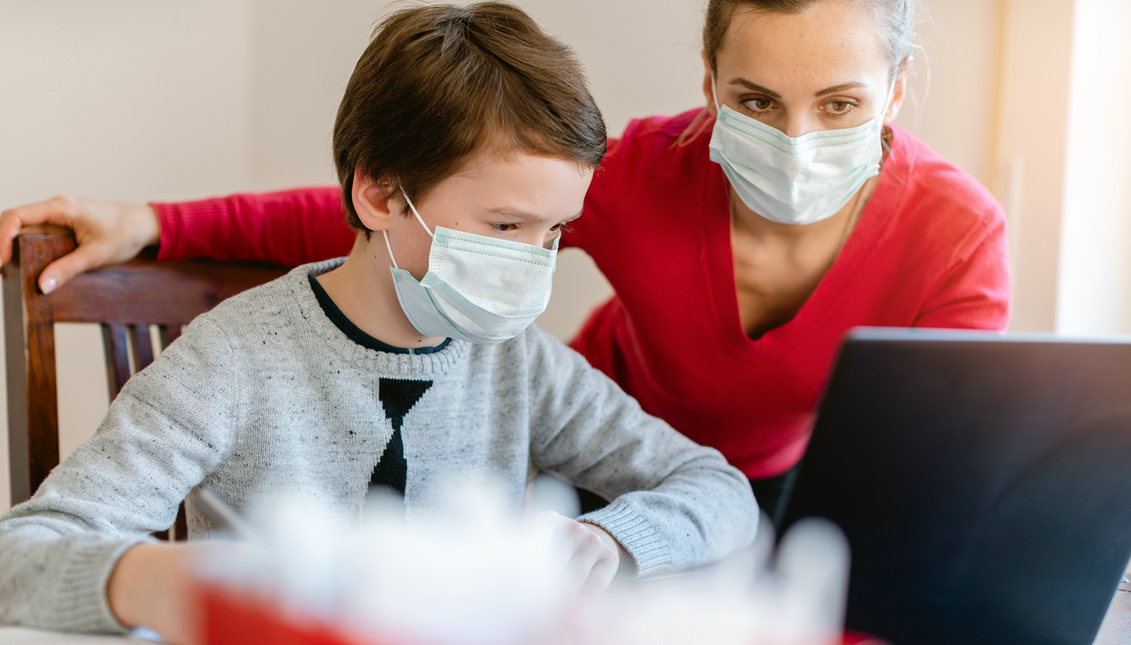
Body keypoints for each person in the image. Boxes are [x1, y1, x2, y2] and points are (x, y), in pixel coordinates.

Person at [0, 0, 1010, 519]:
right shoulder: (643, 176)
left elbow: (929, 483)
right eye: (753, 100)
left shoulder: (954, 236)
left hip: (771, 485)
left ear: (897, 89)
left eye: (837, 104)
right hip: (581, 459)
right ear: (708, 82)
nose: (792, 142)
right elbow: (404, 202)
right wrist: (153, 220)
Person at [0, 4, 759, 643]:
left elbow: (718, 489)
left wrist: (610, 539)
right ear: (378, 194)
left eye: (554, 231)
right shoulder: (234, 358)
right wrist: (154, 580)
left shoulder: (519, 363)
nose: (534, 262)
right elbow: (19, 553)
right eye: (502, 226)